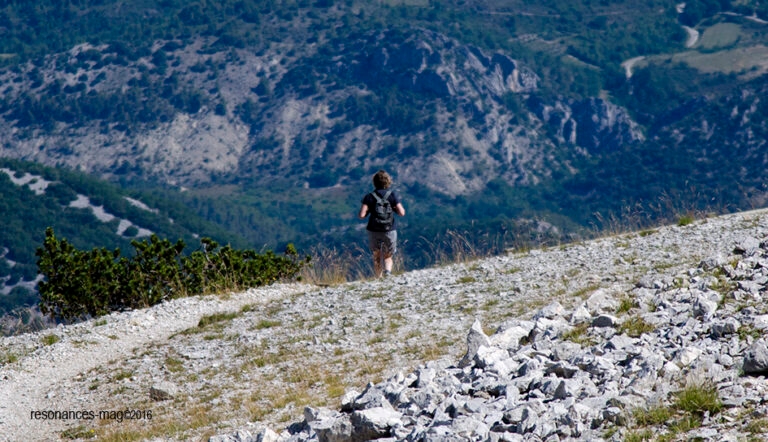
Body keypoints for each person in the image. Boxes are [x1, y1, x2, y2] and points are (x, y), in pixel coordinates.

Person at [358, 170, 406, 278]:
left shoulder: (369, 197)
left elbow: (361, 215)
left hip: (373, 229)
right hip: (389, 229)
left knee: (377, 255)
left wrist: (369, 210)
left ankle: (378, 277)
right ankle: (388, 273)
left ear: (374, 182)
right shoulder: (392, 195)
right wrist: (393, 209)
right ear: (388, 181)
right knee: (388, 256)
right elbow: (402, 213)